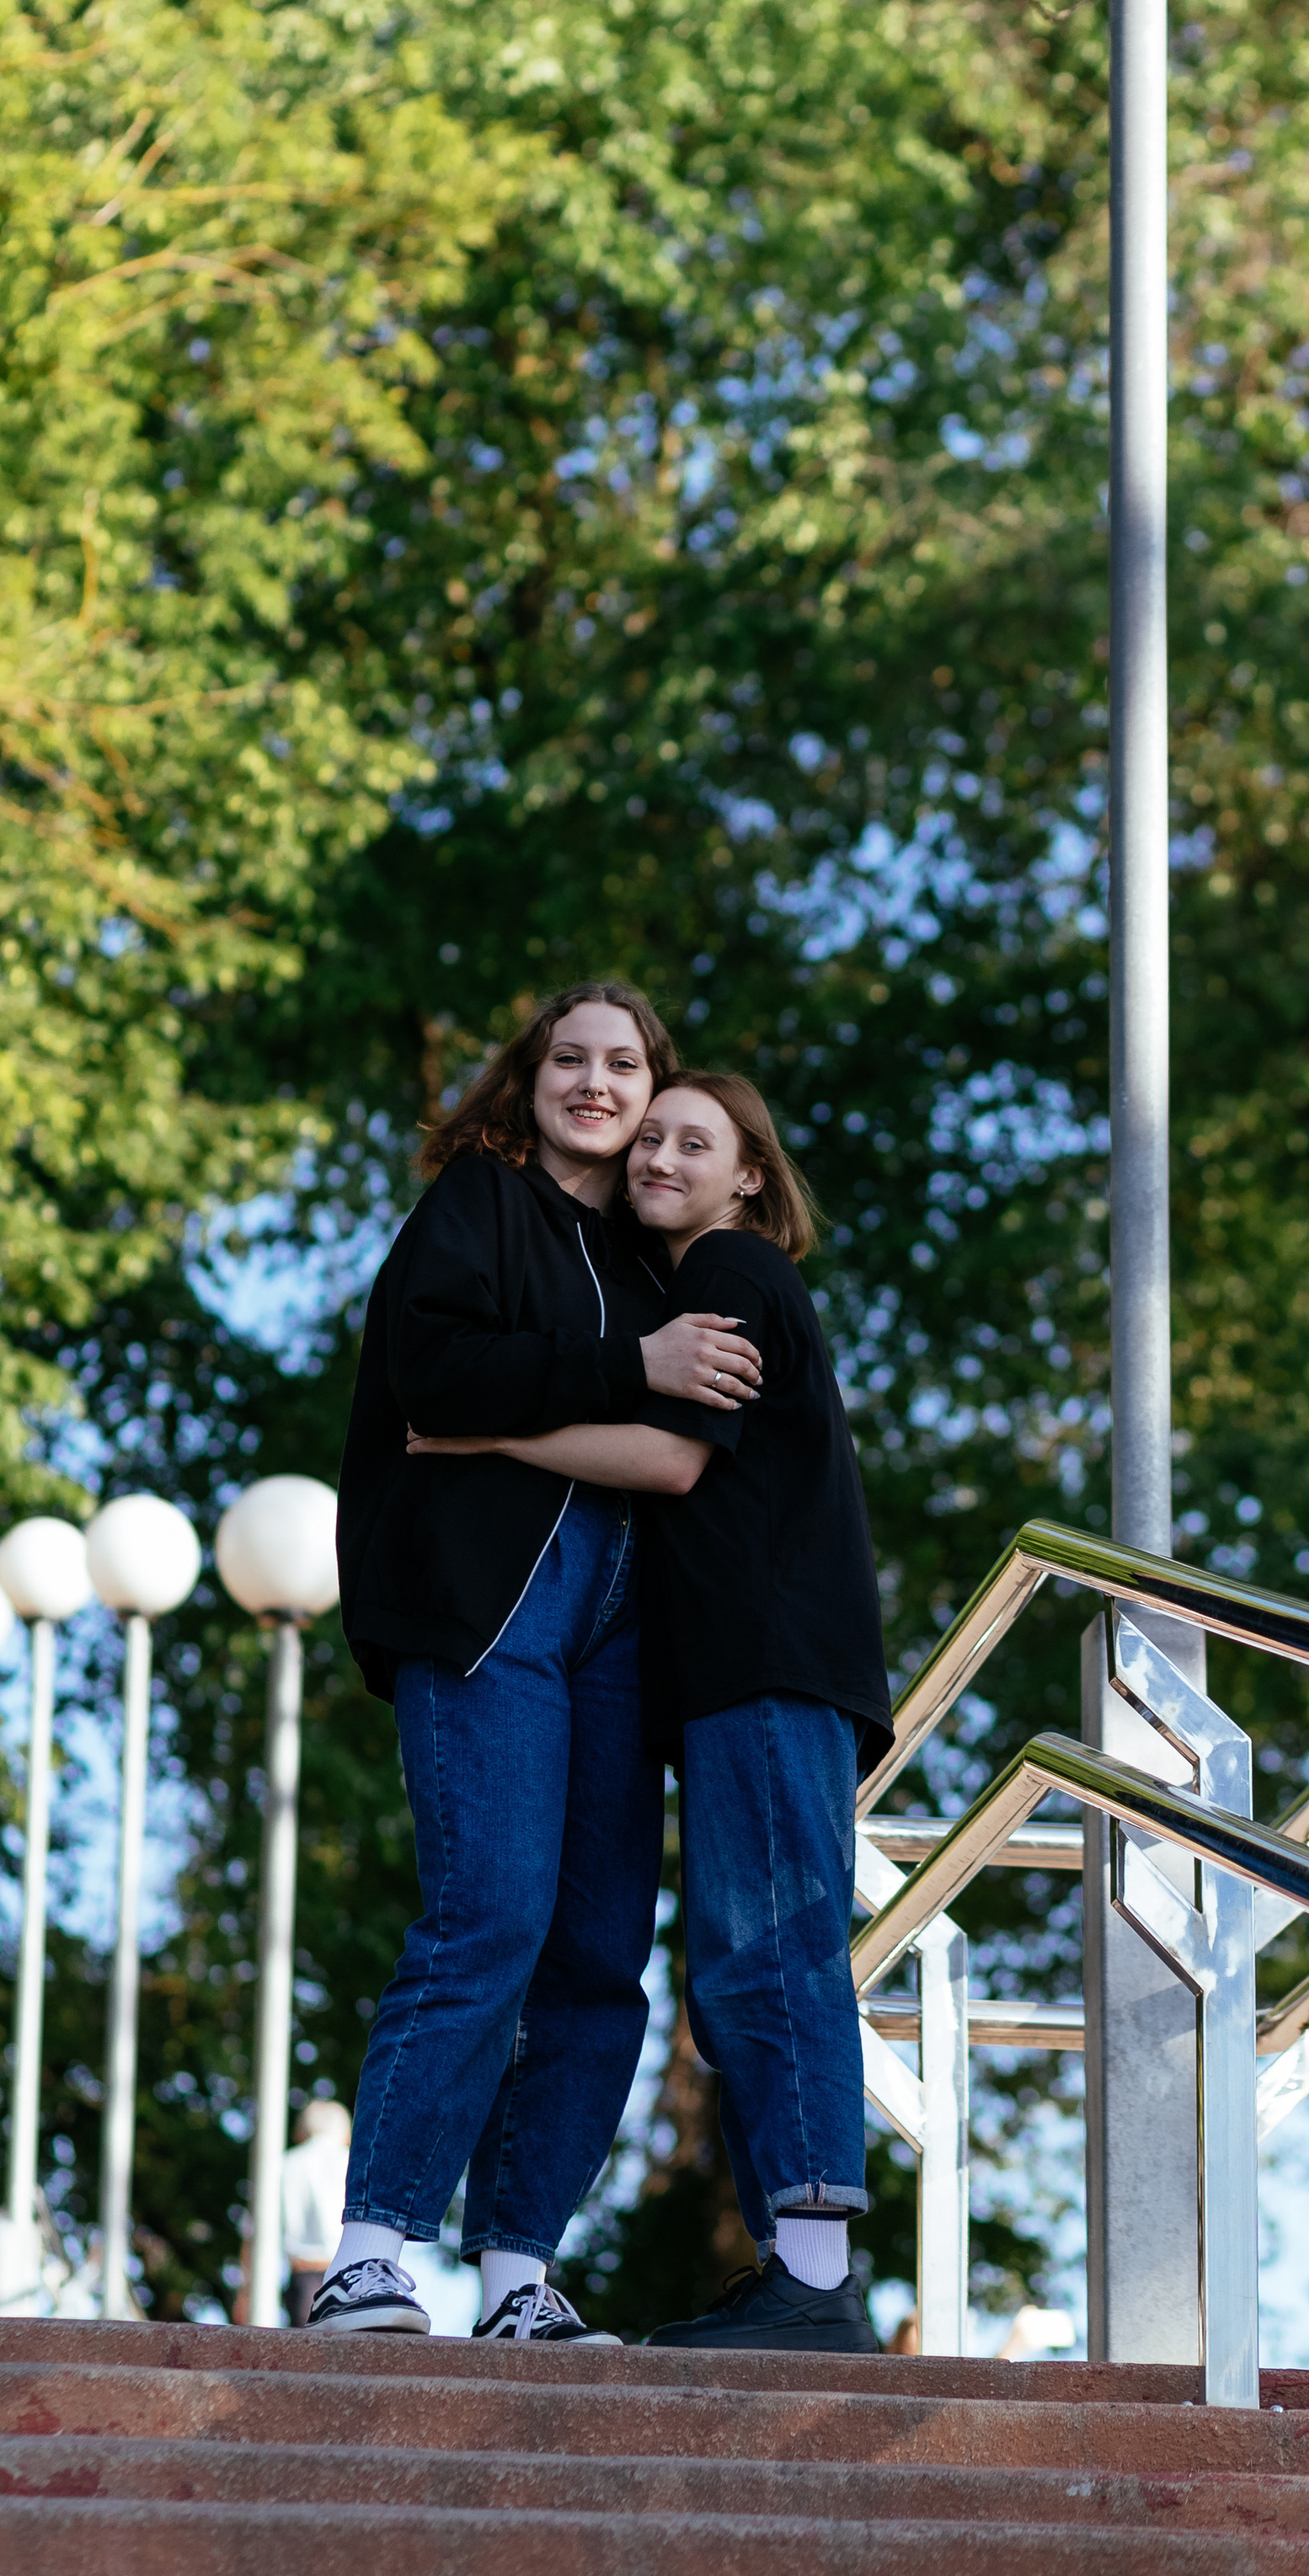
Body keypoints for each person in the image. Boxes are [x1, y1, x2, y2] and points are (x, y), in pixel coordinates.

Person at [308, 981, 766, 2349]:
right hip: (492, 1612)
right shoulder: (479, 1207)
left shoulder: (659, 1253)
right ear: (531, 1077)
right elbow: (428, 1380)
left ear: (652, 1093)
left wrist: (525, 1417)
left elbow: (680, 1453)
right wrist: (630, 1363)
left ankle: (520, 2272)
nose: (595, 1081)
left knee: (600, 1959)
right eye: (569, 1058)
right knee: (489, 1917)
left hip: (627, 1636)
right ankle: (367, 2255)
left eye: (623, 1064)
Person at [411, 1070, 891, 2354]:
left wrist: (482, 1440)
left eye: (696, 1140)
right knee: (737, 1952)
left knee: (771, 1945)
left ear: (749, 1175)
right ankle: (797, 2260)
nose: (660, 1156)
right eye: (652, 1143)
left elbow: (672, 1457)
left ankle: (816, 2274)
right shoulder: (688, 1291)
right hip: (742, 1672)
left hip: (775, 1662)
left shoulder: (733, 1268)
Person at [281, 2099, 352, 2328]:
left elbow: (255, 2230)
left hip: (304, 2275)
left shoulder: (286, 2163)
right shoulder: (355, 2163)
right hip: (351, 2276)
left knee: (305, 2356)